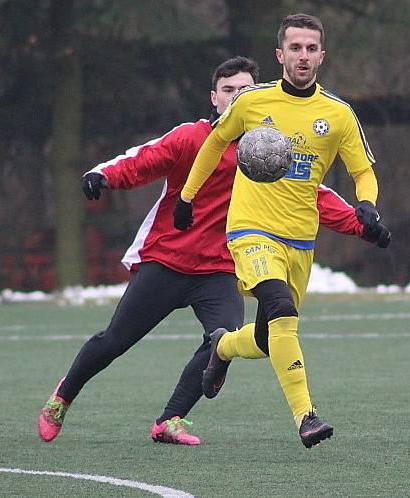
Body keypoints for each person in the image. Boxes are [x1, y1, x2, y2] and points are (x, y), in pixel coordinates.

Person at [38, 56, 390, 445]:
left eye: (245, 90)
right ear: (215, 98)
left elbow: (313, 196)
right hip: (168, 260)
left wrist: (363, 225)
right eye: (229, 90)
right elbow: (145, 158)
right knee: (115, 341)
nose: (238, 96)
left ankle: (169, 420)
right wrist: (103, 175)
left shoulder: (270, 150)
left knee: (219, 341)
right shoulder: (194, 138)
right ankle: (62, 397)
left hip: (222, 268)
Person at [174, 14, 389, 449]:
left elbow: (363, 170)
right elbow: (215, 143)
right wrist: (186, 197)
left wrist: (367, 203)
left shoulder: (337, 114)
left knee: (267, 336)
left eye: (311, 48)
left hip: (300, 239)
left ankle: (223, 347)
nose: (303, 56)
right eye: (295, 48)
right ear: (280, 55)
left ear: (322, 56)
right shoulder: (252, 102)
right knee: (281, 309)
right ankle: (305, 416)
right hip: (251, 229)